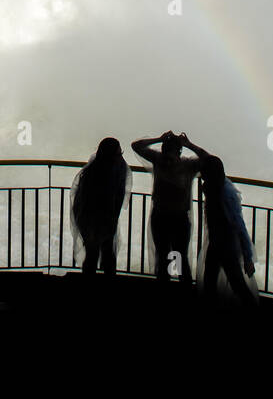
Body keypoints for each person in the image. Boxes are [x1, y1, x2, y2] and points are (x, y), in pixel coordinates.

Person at [131, 131, 203, 282]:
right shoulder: (183, 164)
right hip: (171, 217)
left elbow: (136, 146)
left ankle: (170, 286)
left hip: (169, 217)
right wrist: (189, 145)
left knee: (172, 258)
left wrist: (161, 139)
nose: (168, 159)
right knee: (171, 258)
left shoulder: (168, 162)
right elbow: (209, 160)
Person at [196, 152, 258, 307]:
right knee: (218, 280)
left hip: (225, 246)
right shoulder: (220, 187)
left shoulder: (223, 194)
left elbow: (239, 226)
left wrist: (248, 257)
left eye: (204, 173)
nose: (201, 175)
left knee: (235, 284)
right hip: (219, 243)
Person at [71, 137, 132, 277]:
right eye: (118, 153)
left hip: (93, 219)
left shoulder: (93, 169)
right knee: (105, 255)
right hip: (99, 219)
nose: (120, 156)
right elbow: (118, 197)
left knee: (94, 254)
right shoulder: (116, 170)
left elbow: (80, 198)